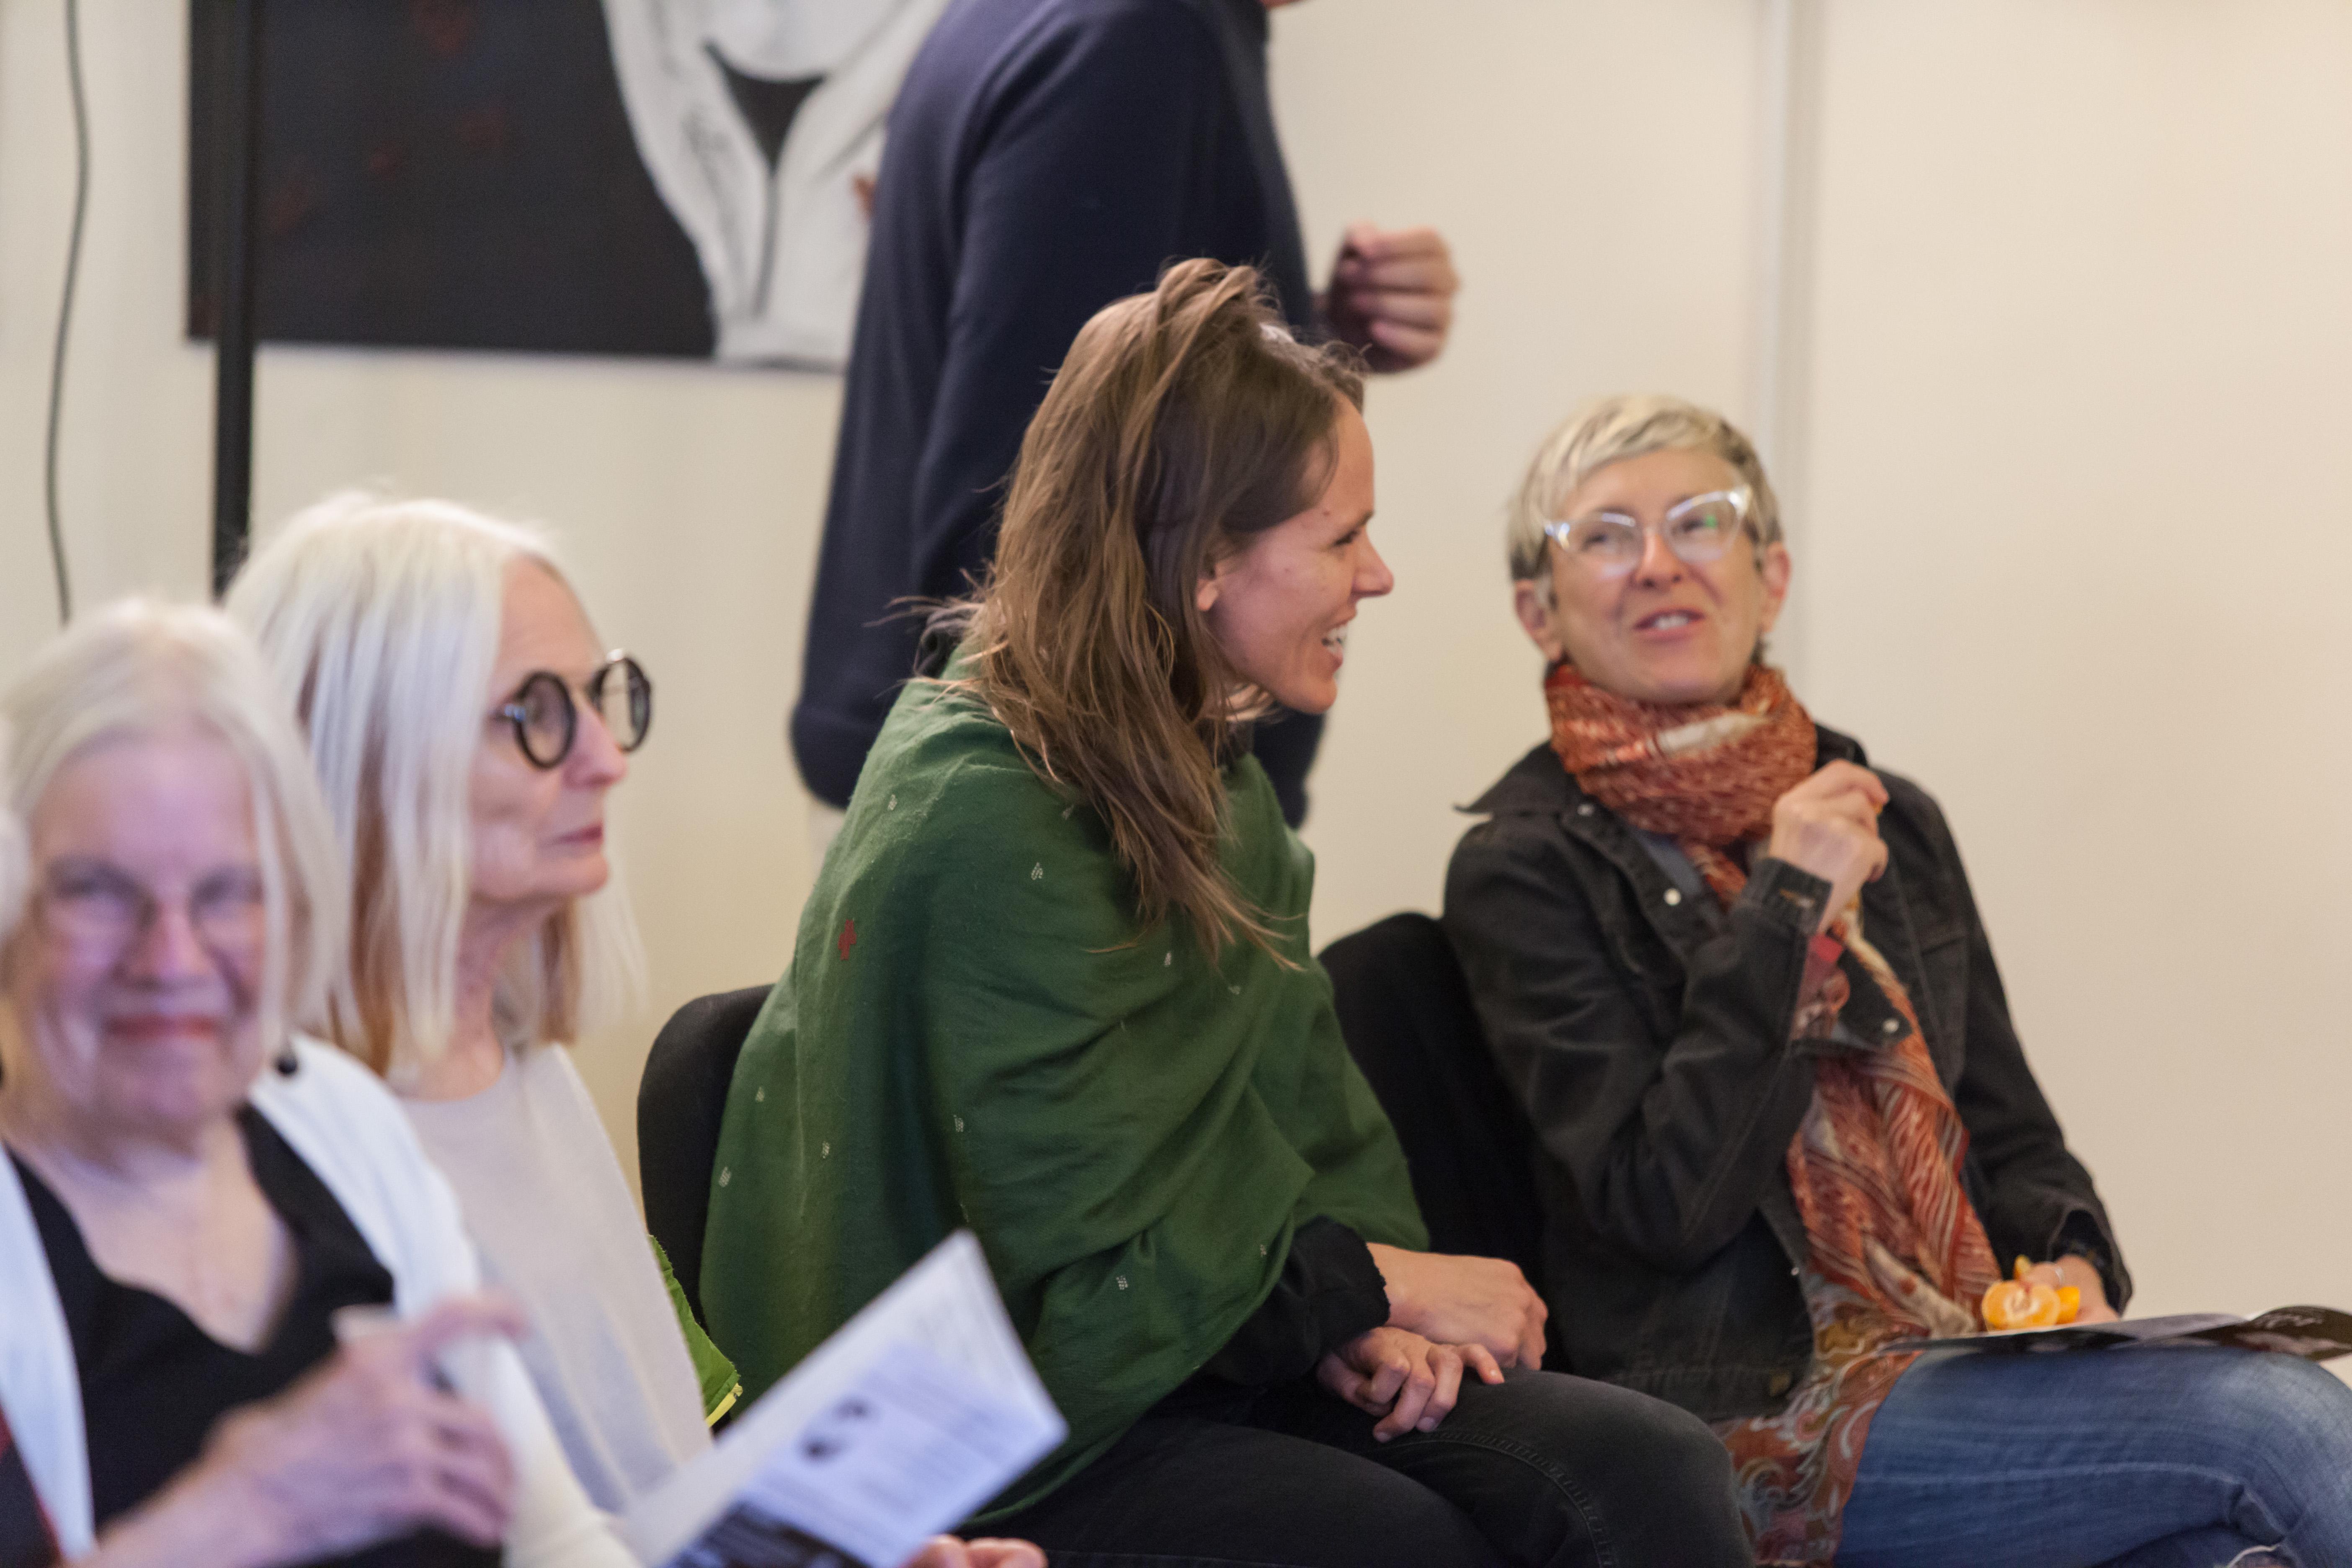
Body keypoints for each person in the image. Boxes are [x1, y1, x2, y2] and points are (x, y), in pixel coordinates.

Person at [705, 261, 1749, 1568]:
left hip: (1220, 1339)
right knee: (1398, 1548)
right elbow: (1087, 1265)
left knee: (1646, 1470)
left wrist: (1380, 1325)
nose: (1376, 577)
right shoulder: (978, 820)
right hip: (1015, 1427)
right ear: (1204, 560)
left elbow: (1308, 1114)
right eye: (1338, 537)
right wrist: (1370, 1288)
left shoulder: (1208, 768)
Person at [1443, 392, 2352, 1567]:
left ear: (1770, 578)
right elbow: (1658, 1207)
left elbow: (2014, 1138)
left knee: (2218, 1557)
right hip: (1749, 1410)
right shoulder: (1523, 865)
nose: (1658, 564)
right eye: (1606, 537)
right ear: (1539, 609)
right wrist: (1786, 913)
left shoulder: (1889, 818)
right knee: (2279, 1428)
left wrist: (2073, 1261)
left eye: (1700, 524)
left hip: (1961, 1348)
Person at [225, 499, 1044, 1568]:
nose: (609, 758)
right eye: (537, 716)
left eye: (599, 698)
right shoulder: (286, 1150)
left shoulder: (522, 1062)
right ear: (372, 755)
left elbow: (655, 1487)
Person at [0, 599, 633, 1568]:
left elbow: (555, 1544)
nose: (172, 959)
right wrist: (243, 1513)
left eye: (228, 893)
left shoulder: (336, 1120)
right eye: (97, 892)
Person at [791, 0, 1463, 828]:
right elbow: (1028, 489)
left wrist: (1318, 338)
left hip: (978, 785)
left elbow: (1107, 398)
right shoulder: (1138, 38)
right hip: (1046, 822)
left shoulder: (1057, 21)